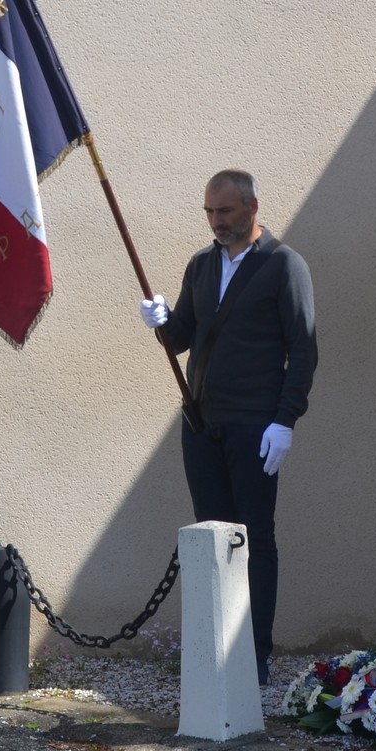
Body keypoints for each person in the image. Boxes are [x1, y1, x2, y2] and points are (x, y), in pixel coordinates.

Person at [140, 169, 317, 685]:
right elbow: (183, 338)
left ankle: (254, 657)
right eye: (210, 213)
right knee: (211, 539)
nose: (217, 222)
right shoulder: (201, 265)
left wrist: (285, 420)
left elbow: (303, 351)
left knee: (256, 540)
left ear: (252, 207)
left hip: (256, 427)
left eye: (226, 212)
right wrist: (162, 322)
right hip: (202, 423)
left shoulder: (285, 266)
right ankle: (214, 650)